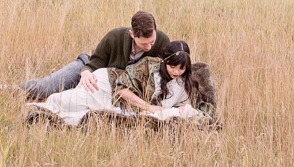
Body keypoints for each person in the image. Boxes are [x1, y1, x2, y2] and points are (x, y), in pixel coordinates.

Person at [26, 40, 200, 127]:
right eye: (172, 66)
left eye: (181, 68)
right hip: (106, 85)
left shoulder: (182, 85)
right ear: (163, 61)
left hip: (123, 108)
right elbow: (121, 89)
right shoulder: (149, 66)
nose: (176, 72)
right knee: (63, 101)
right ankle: (32, 104)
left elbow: (186, 108)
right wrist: (148, 107)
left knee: (83, 115)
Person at [21, 10, 170, 101]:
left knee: (64, 100)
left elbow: (169, 70)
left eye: (152, 42)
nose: (149, 47)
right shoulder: (114, 37)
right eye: (144, 44)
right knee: (44, 89)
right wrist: (85, 74)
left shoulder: (162, 41)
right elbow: (93, 63)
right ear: (132, 34)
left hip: (107, 87)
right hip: (88, 70)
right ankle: (7, 89)